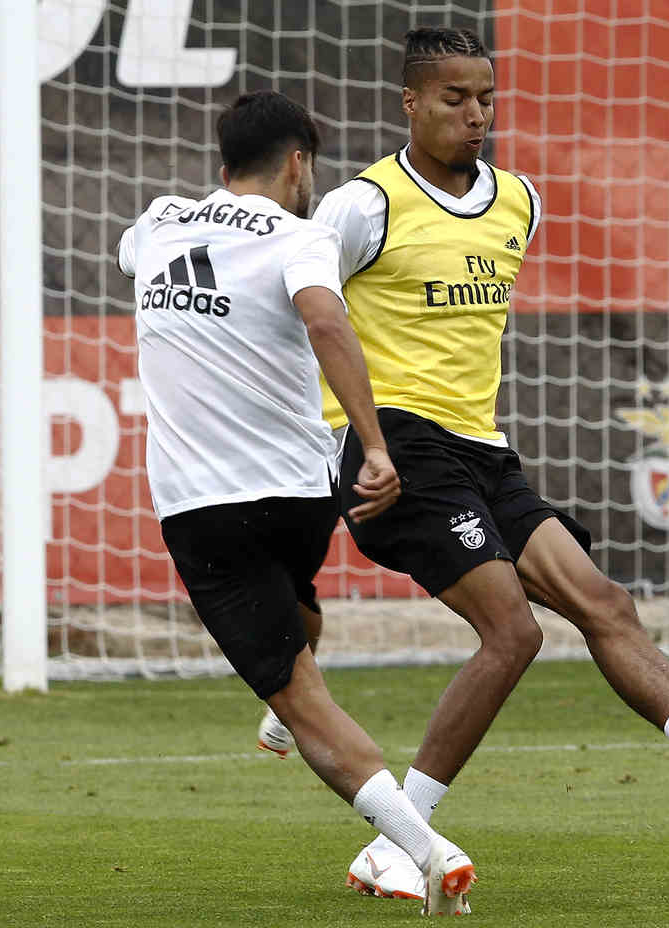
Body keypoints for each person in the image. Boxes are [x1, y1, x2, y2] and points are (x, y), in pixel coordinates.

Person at [288, 26, 669, 900]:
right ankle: (403, 840)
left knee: (603, 601)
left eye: (485, 97)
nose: (475, 115)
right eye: (453, 99)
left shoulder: (519, 201)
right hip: (393, 448)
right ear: (410, 102)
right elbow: (309, 315)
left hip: (480, 449)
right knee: (512, 631)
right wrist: (354, 443)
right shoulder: (363, 206)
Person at [118, 89, 478, 915]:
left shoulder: (158, 222)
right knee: (296, 608)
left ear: (223, 164)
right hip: (302, 497)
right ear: (296, 162)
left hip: (206, 508)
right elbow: (326, 322)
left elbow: (131, 256)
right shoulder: (298, 236)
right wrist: (374, 447)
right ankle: (282, 714)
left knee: (300, 696)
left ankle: (425, 850)